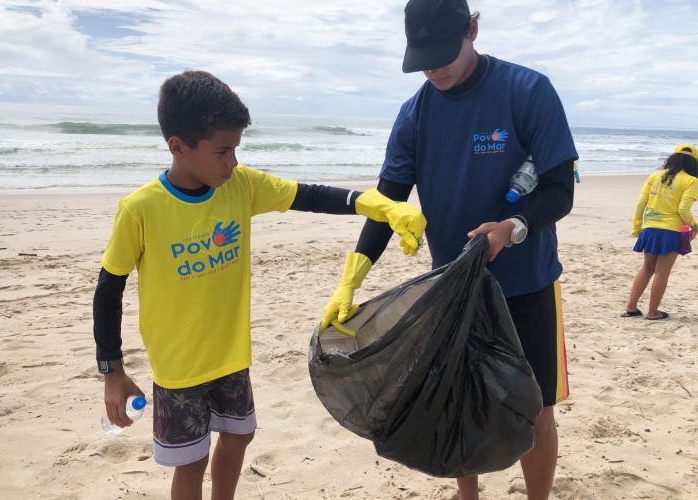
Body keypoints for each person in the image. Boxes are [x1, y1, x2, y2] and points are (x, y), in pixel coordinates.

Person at [93, 70, 426, 500]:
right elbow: (108, 289)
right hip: (179, 369)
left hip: (231, 356)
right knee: (191, 461)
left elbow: (308, 195)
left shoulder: (241, 186)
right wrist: (112, 371)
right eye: (222, 151)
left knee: (240, 436)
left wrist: (372, 203)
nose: (232, 162)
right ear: (178, 146)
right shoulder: (141, 210)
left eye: (235, 149)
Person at [319, 0, 578, 498]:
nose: (432, 68)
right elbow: (387, 200)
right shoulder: (414, 114)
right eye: (421, 58)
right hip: (453, 290)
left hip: (527, 284)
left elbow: (559, 189)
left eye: (441, 53)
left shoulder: (527, 91)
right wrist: (352, 279)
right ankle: (467, 495)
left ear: (472, 29)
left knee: (538, 408)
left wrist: (512, 228)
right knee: (455, 398)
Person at [621, 144, 698, 320]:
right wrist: (695, 226)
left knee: (647, 268)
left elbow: (641, 203)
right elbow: (683, 210)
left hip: (649, 228)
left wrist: (637, 226)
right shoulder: (691, 181)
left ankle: (631, 308)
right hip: (670, 231)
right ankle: (653, 312)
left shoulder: (655, 176)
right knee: (662, 272)